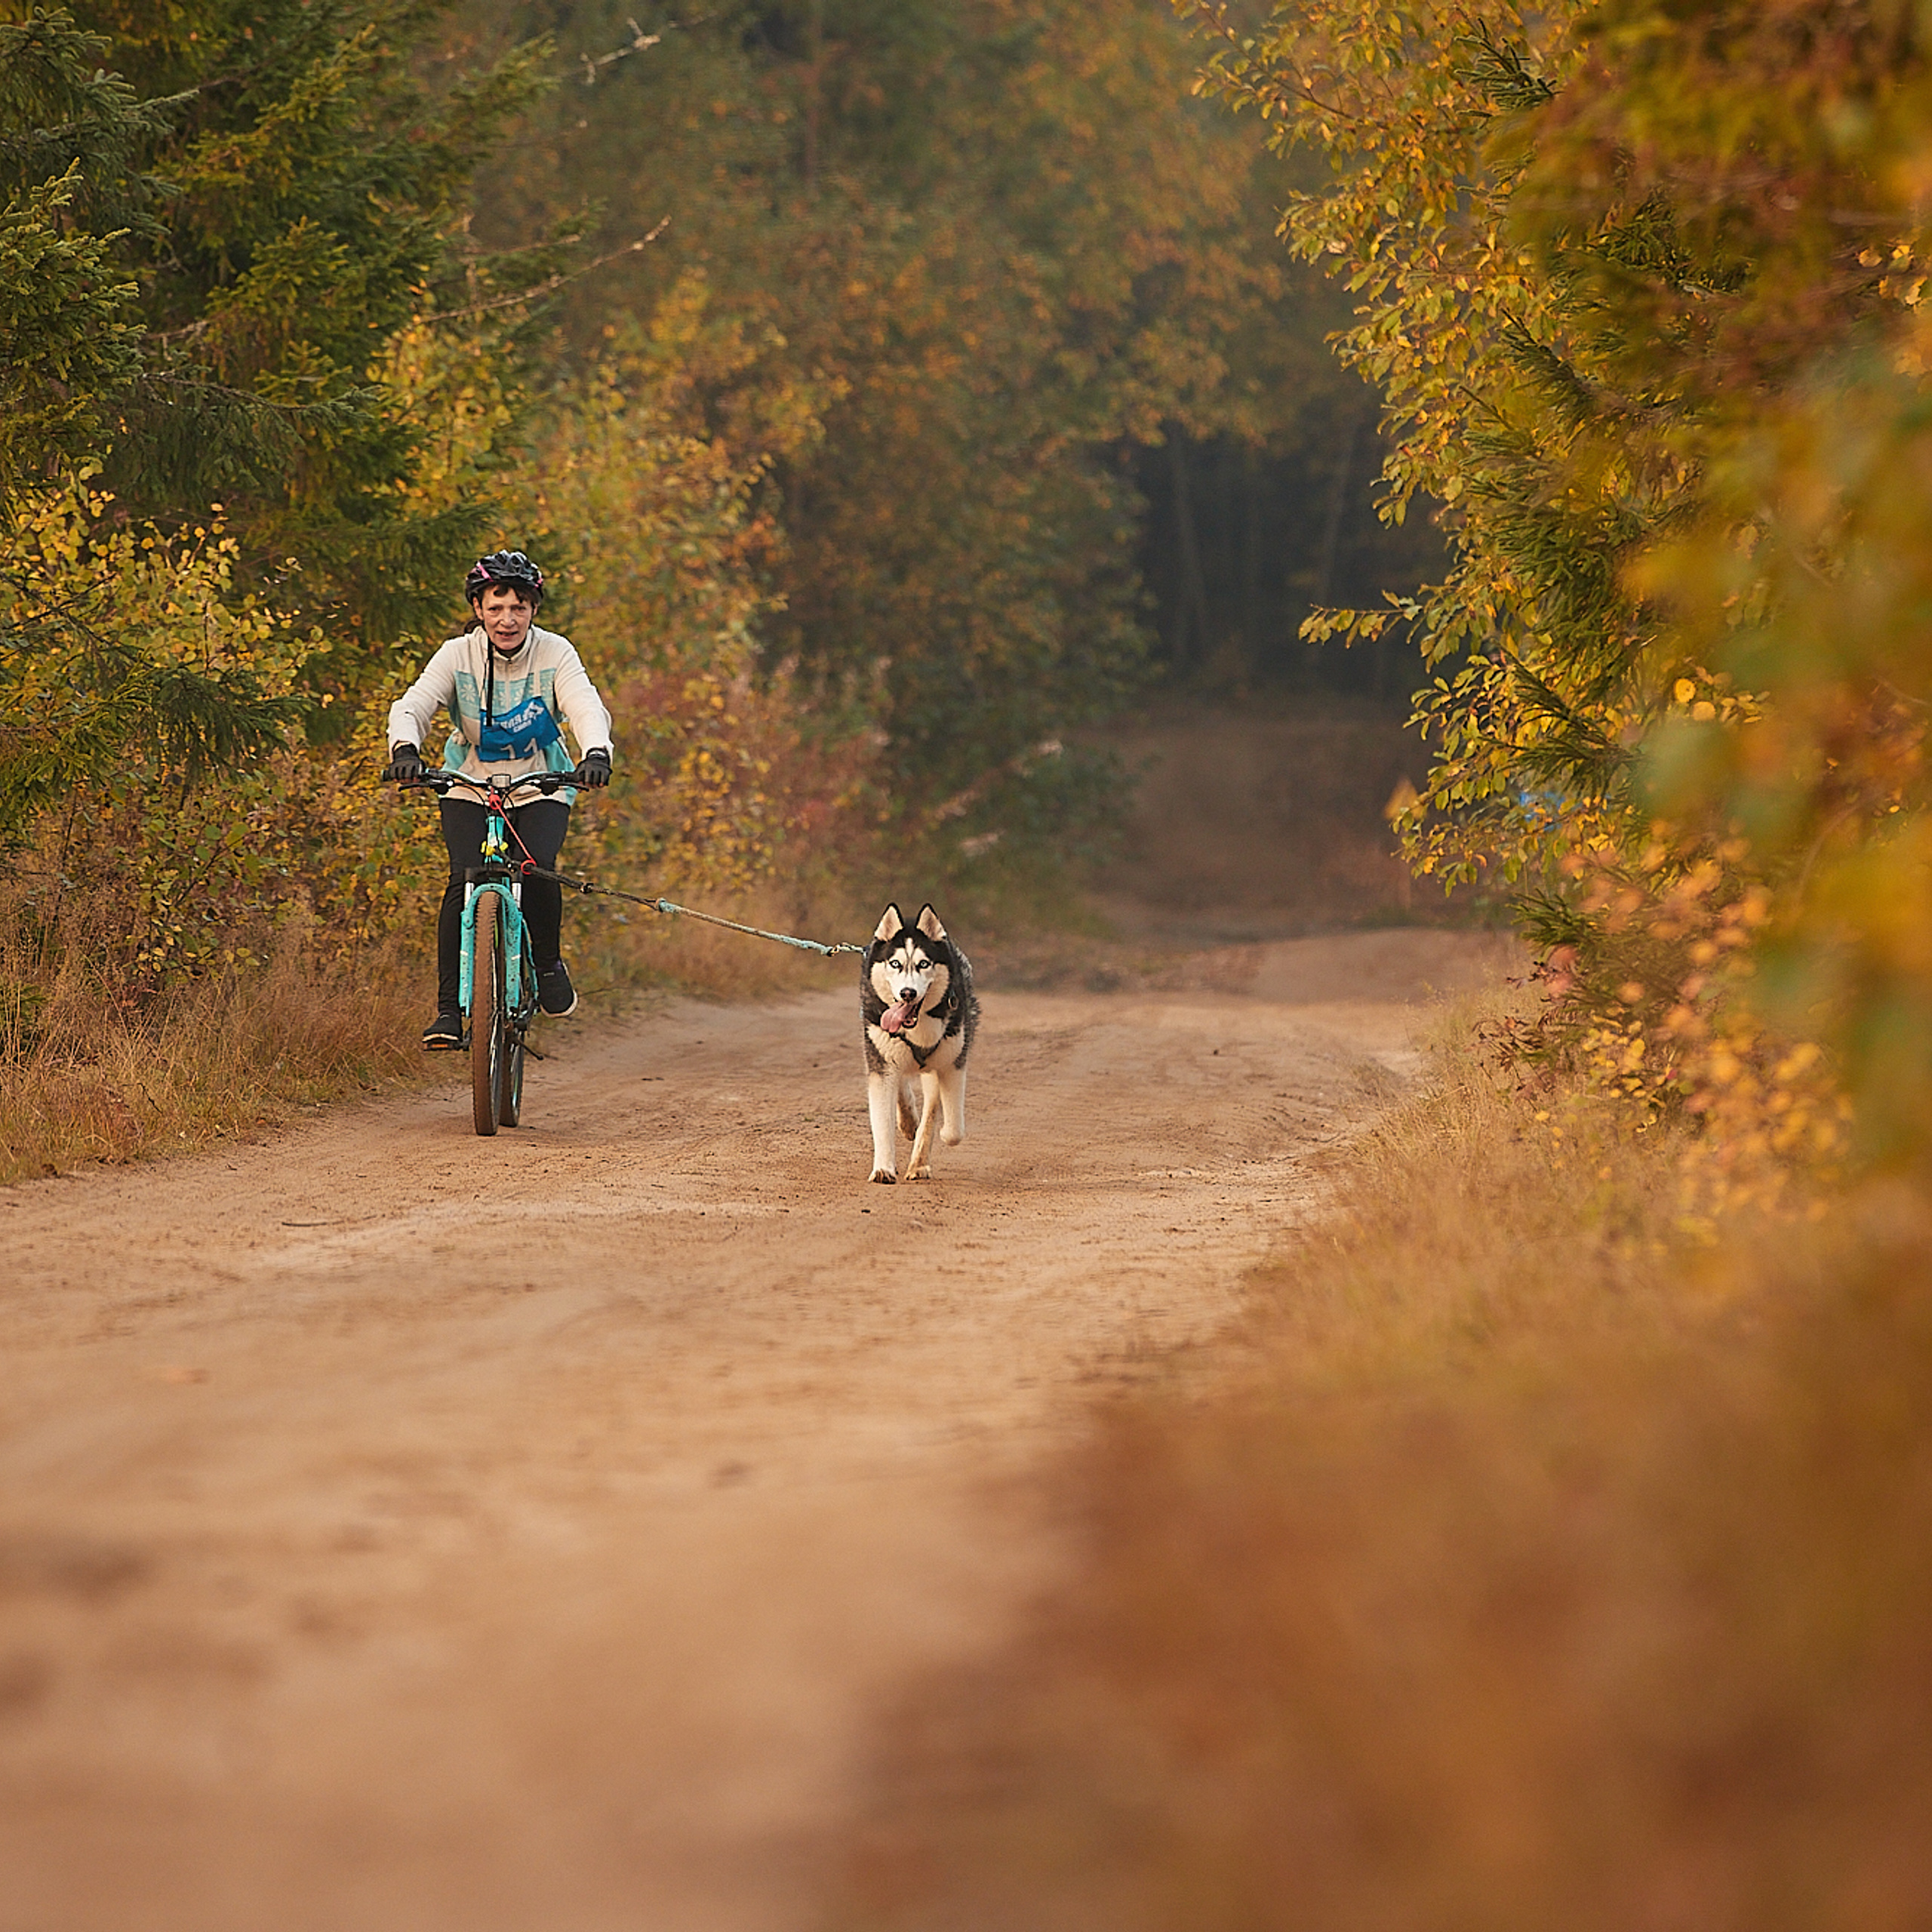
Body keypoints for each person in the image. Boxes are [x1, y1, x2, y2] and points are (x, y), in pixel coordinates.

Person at [382, 550, 614, 1049]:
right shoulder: (456, 655)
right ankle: (449, 1011)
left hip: (539, 783)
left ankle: (548, 964)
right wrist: (405, 749)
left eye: (519, 607)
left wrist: (595, 752)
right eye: (496, 606)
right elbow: (415, 704)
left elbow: (583, 704)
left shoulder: (555, 653)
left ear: (534, 610)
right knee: (464, 878)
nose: (507, 618)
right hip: (468, 781)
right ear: (478, 608)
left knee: (537, 867)